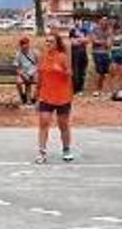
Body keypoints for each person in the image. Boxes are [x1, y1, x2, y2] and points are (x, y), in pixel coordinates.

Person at [35, 33, 74, 164]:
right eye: (47, 41)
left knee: (63, 125)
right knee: (44, 123)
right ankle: (42, 152)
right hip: (46, 95)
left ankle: (66, 149)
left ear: (57, 43)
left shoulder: (63, 57)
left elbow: (70, 74)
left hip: (62, 96)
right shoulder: (42, 57)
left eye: (51, 41)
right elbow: (40, 76)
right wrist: (37, 93)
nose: (48, 44)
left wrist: (60, 71)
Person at [90, 16, 112, 96]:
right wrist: (104, 42)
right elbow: (94, 41)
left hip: (106, 53)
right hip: (97, 52)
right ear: (100, 21)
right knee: (99, 72)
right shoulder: (95, 29)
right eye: (103, 21)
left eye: (106, 21)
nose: (104, 23)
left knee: (106, 72)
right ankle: (97, 89)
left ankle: (104, 89)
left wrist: (101, 42)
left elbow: (109, 43)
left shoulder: (108, 30)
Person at [13, 37, 37, 107]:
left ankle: (34, 98)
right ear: (20, 45)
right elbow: (17, 67)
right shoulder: (18, 54)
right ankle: (23, 96)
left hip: (33, 72)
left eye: (26, 44)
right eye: (23, 44)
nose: (25, 46)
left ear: (29, 44)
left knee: (39, 82)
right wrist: (22, 74)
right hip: (23, 72)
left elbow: (37, 64)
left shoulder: (34, 52)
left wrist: (32, 73)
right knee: (18, 82)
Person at [68, 26, 88, 95]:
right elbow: (73, 43)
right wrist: (81, 40)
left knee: (83, 71)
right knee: (75, 71)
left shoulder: (84, 29)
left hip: (83, 53)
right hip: (75, 54)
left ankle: (81, 88)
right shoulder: (72, 30)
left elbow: (87, 40)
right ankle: (74, 89)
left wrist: (79, 40)